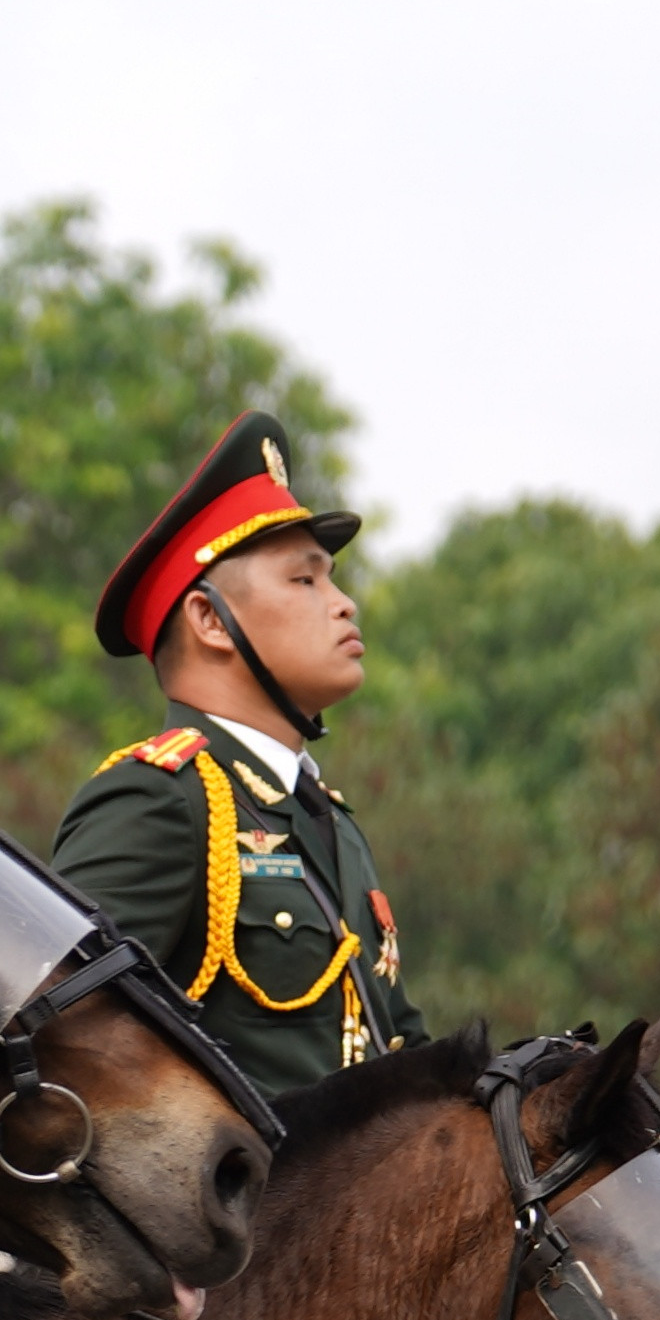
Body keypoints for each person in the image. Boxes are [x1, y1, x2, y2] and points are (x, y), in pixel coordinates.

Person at [51, 416, 433, 1115]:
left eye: (332, 580)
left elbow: (400, 1054)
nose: (344, 604)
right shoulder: (157, 798)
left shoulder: (324, 815)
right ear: (212, 621)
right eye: (304, 580)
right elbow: (57, 1048)